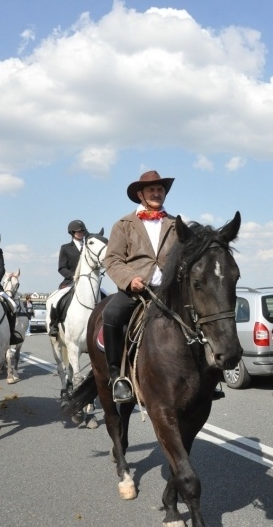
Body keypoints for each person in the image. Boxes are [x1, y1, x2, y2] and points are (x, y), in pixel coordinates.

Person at [102, 171, 178, 402]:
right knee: (111, 314)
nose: (157, 193)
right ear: (140, 194)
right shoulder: (123, 225)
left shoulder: (175, 224)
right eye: (152, 190)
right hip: (137, 291)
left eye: (160, 190)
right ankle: (117, 377)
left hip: (168, 290)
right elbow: (112, 259)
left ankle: (208, 375)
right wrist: (129, 280)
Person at [48, 219, 88, 336]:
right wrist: (73, 276)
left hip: (88, 282)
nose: (80, 233)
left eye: (82, 231)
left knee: (105, 296)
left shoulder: (88, 246)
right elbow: (61, 267)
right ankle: (54, 325)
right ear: (72, 233)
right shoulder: (65, 248)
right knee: (56, 300)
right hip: (71, 281)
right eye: (78, 231)